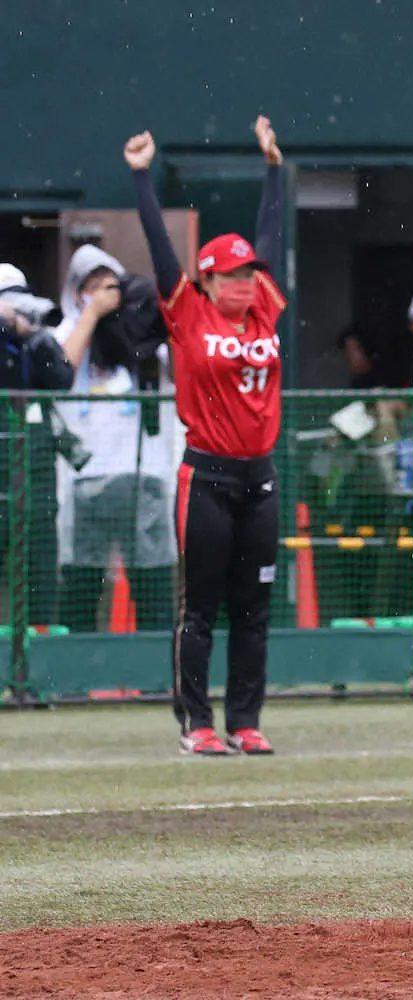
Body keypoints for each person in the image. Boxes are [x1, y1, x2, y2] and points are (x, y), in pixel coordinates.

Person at [124, 115, 287, 757]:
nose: (245, 283)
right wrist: (141, 177)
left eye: (249, 274)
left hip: (259, 478)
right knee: (201, 608)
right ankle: (196, 723)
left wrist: (273, 169)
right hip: (207, 478)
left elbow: (269, 234)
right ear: (209, 280)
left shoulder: (264, 305)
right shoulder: (187, 308)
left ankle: (245, 720)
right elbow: (160, 248)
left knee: (255, 608)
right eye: (232, 275)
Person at [53, 246, 179, 633]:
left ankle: (158, 665)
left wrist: (160, 320)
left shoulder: (142, 332)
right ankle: (78, 664)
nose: (104, 292)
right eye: (92, 285)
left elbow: (178, 370)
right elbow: (59, 372)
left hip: (145, 475)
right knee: (82, 583)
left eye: (110, 284)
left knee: (153, 584)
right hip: (85, 479)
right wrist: (92, 314)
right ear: (77, 293)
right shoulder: (68, 331)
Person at [0, 266, 75, 623]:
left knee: (40, 550)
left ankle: (41, 632)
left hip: (37, 464)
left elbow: (63, 380)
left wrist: (38, 340)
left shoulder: (37, 342)